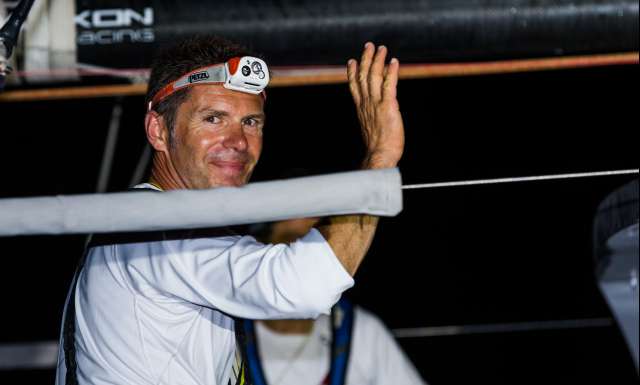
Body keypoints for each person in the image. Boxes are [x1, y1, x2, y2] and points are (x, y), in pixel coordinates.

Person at [55, 35, 405, 385]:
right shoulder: (150, 225)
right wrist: (380, 157)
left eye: (251, 122)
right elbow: (302, 285)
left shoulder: (148, 227)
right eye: (213, 119)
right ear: (158, 130)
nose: (238, 141)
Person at [242, 217, 427, 385]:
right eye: (290, 246)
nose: (304, 261)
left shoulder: (361, 331)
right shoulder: (229, 330)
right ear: (260, 251)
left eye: (315, 245)